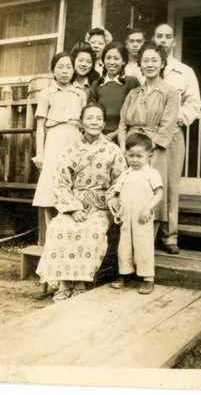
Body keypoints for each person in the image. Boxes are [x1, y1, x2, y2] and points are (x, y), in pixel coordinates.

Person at [36, 103, 127, 301]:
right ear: (81, 123)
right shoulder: (71, 150)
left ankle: (80, 282)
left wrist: (110, 201)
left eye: (98, 118)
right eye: (89, 118)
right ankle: (63, 283)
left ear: (103, 123)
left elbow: (120, 181)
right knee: (59, 228)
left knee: (91, 231)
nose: (94, 122)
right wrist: (72, 208)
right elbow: (60, 182)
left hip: (100, 206)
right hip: (73, 203)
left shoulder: (112, 150)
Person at [118, 42, 180, 247]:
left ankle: (151, 242)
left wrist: (147, 149)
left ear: (162, 63)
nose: (150, 64)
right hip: (132, 149)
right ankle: (130, 241)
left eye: (155, 60)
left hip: (154, 149)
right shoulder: (134, 93)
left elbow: (168, 125)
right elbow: (123, 123)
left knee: (154, 190)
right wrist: (123, 146)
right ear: (140, 64)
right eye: (146, 60)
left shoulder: (171, 92)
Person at [152, 23, 201, 254]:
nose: (163, 40)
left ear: (174, 42)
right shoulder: (143, 68)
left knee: (170, 185)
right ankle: (146, 235)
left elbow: (193, 103)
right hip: (145, 135)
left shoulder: (184, 71)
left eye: (168, 37)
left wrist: (173, 120)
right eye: (159, 36)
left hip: (172, 135)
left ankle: (169, 237)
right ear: (153, 39)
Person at [32, 52, 87, 229]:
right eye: (60, 67)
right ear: (53, 70)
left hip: (74, 139)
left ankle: (70, 231)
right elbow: (40, 125)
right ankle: (51, 232)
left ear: (73, 70)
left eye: (68, 67)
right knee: (51, 184)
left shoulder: (80, 94)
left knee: (72, 183)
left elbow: (84, 124)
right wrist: (40, 152)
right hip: (54, 141)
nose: (64, 71)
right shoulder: (46, 94)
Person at [107, 133, 163, 295]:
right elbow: (117, 194)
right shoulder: (125, 174)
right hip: (125, 216)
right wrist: (117, 211)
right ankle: (125, 274)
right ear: (125, 155)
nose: (135, 160)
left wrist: (148, 208)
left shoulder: (151, 173)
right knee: (124, 246)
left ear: (149, 155)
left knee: (143, 245)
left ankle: (147, 278)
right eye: (131, 156)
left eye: (139, 156)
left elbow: (159, 194)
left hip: (142, 217)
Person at [88, 42, 140, 140]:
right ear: (103, 60)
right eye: (108, 58)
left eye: (116, 58)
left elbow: (135, 113)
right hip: (98, 136)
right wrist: (100, 135)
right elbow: (90, 112)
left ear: (124, 61)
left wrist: (116, 134)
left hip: (125, 136)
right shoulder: (97, 84)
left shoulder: (132, 82)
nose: (112, 62)